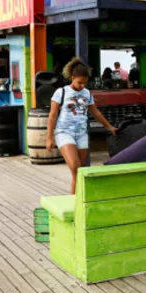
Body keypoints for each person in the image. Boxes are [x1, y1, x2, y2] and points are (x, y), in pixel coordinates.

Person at [46, 58, 117, 194]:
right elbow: (53, 115)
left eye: (85, 82)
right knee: (75, 166)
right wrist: (49, 137)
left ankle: (75, 202)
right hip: (64, 132)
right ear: (72, 77)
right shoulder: (61, 92)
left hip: (81, 134)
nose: (82, 85)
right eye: (80, 82)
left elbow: (95, 112)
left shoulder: (87, 93)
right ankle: (76, 200)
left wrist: (109, 127)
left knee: (79, 172)